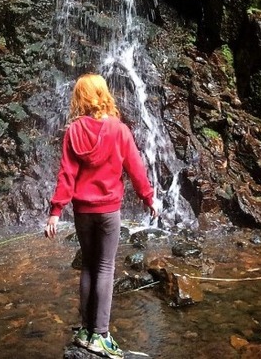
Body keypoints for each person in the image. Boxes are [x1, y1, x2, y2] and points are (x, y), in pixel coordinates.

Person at [45, 73, 157, 358]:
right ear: (103, 94)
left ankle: (85, 330)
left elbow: (66, 174)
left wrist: (56, 211)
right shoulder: (119, 130)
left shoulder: (73, 131)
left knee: (88, 267)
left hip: (82, 210)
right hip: (109, 211)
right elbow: (135, 168)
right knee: (105, 267)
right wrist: (148, 197)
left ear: (80, 98)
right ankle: (101, 335)